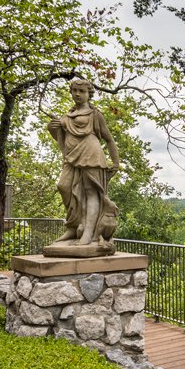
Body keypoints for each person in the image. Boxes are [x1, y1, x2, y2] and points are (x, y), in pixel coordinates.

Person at [48, 78, 120, 247]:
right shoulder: (67, 115)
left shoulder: (95, 114)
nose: (77, 94)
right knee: (64, 186)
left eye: (82, 91)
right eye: (74, 91)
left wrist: (115, 162)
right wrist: (55, 127)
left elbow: (109, 139)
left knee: (91, 193)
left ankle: (88, 234)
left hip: (91, 153)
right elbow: (61, 138)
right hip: (71, 157)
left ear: (89, 94)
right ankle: (73, 227)